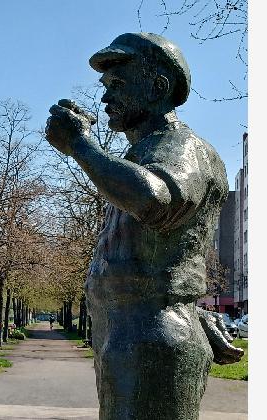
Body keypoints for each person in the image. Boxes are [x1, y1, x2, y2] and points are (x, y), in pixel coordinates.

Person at [45, 32, 242, 420]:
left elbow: (155, 200)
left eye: (118, 84)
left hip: (152, 340)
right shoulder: (141, 154)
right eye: (105, 86)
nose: (105, 98)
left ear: (158, 87)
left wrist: (81, 145)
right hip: (130, 334)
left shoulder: (183, 148)